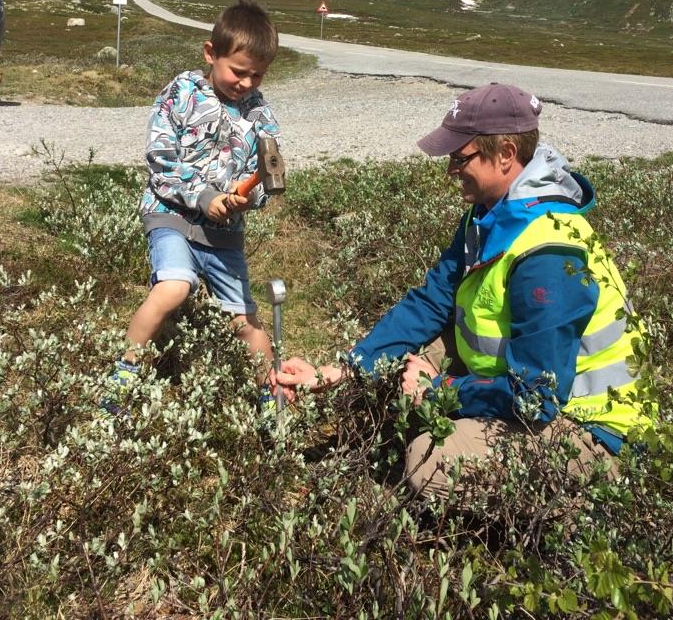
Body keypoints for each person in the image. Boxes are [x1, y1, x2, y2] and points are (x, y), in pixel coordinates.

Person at [273, 83, 650, 499]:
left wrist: (440, 391)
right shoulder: (489, 214)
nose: (451, 170)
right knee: (406, 362)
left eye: (460, 157)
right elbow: (431, 301)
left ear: (506, 154)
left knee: (428, 461)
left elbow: (538, 396)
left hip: (591, 430)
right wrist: (343, 370)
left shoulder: (548, 252)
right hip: (528, 386)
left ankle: (583, 506)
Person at [107, 0, 280, 404]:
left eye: (258, 75)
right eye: (238, 72)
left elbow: (267, 170)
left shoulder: (260, 113)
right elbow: (161, 161)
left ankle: (271, 401)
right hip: (169, 214)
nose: (247, 84)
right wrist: (204, 196)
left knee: (244, 319)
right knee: (174, 287)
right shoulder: (181, 92)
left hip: (223, 231)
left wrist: (245, 197)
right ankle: (122, 373)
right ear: (210, 53)